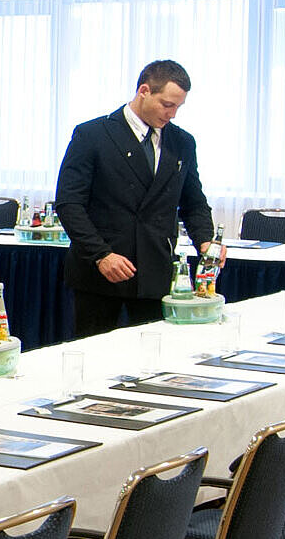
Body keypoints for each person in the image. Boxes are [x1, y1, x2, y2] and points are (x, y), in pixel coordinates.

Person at [53, 58, 215, 337]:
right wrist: (101, 254)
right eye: (167, 104)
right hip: (100, 271)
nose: (172, 114)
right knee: (95, 358)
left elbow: (193, 202)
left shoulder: (182, 142)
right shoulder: (93, 134)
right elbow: (69, 203)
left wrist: (206, 240)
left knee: (152, 360)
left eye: (178, 107)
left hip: (155, 269)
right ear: (144, 91)